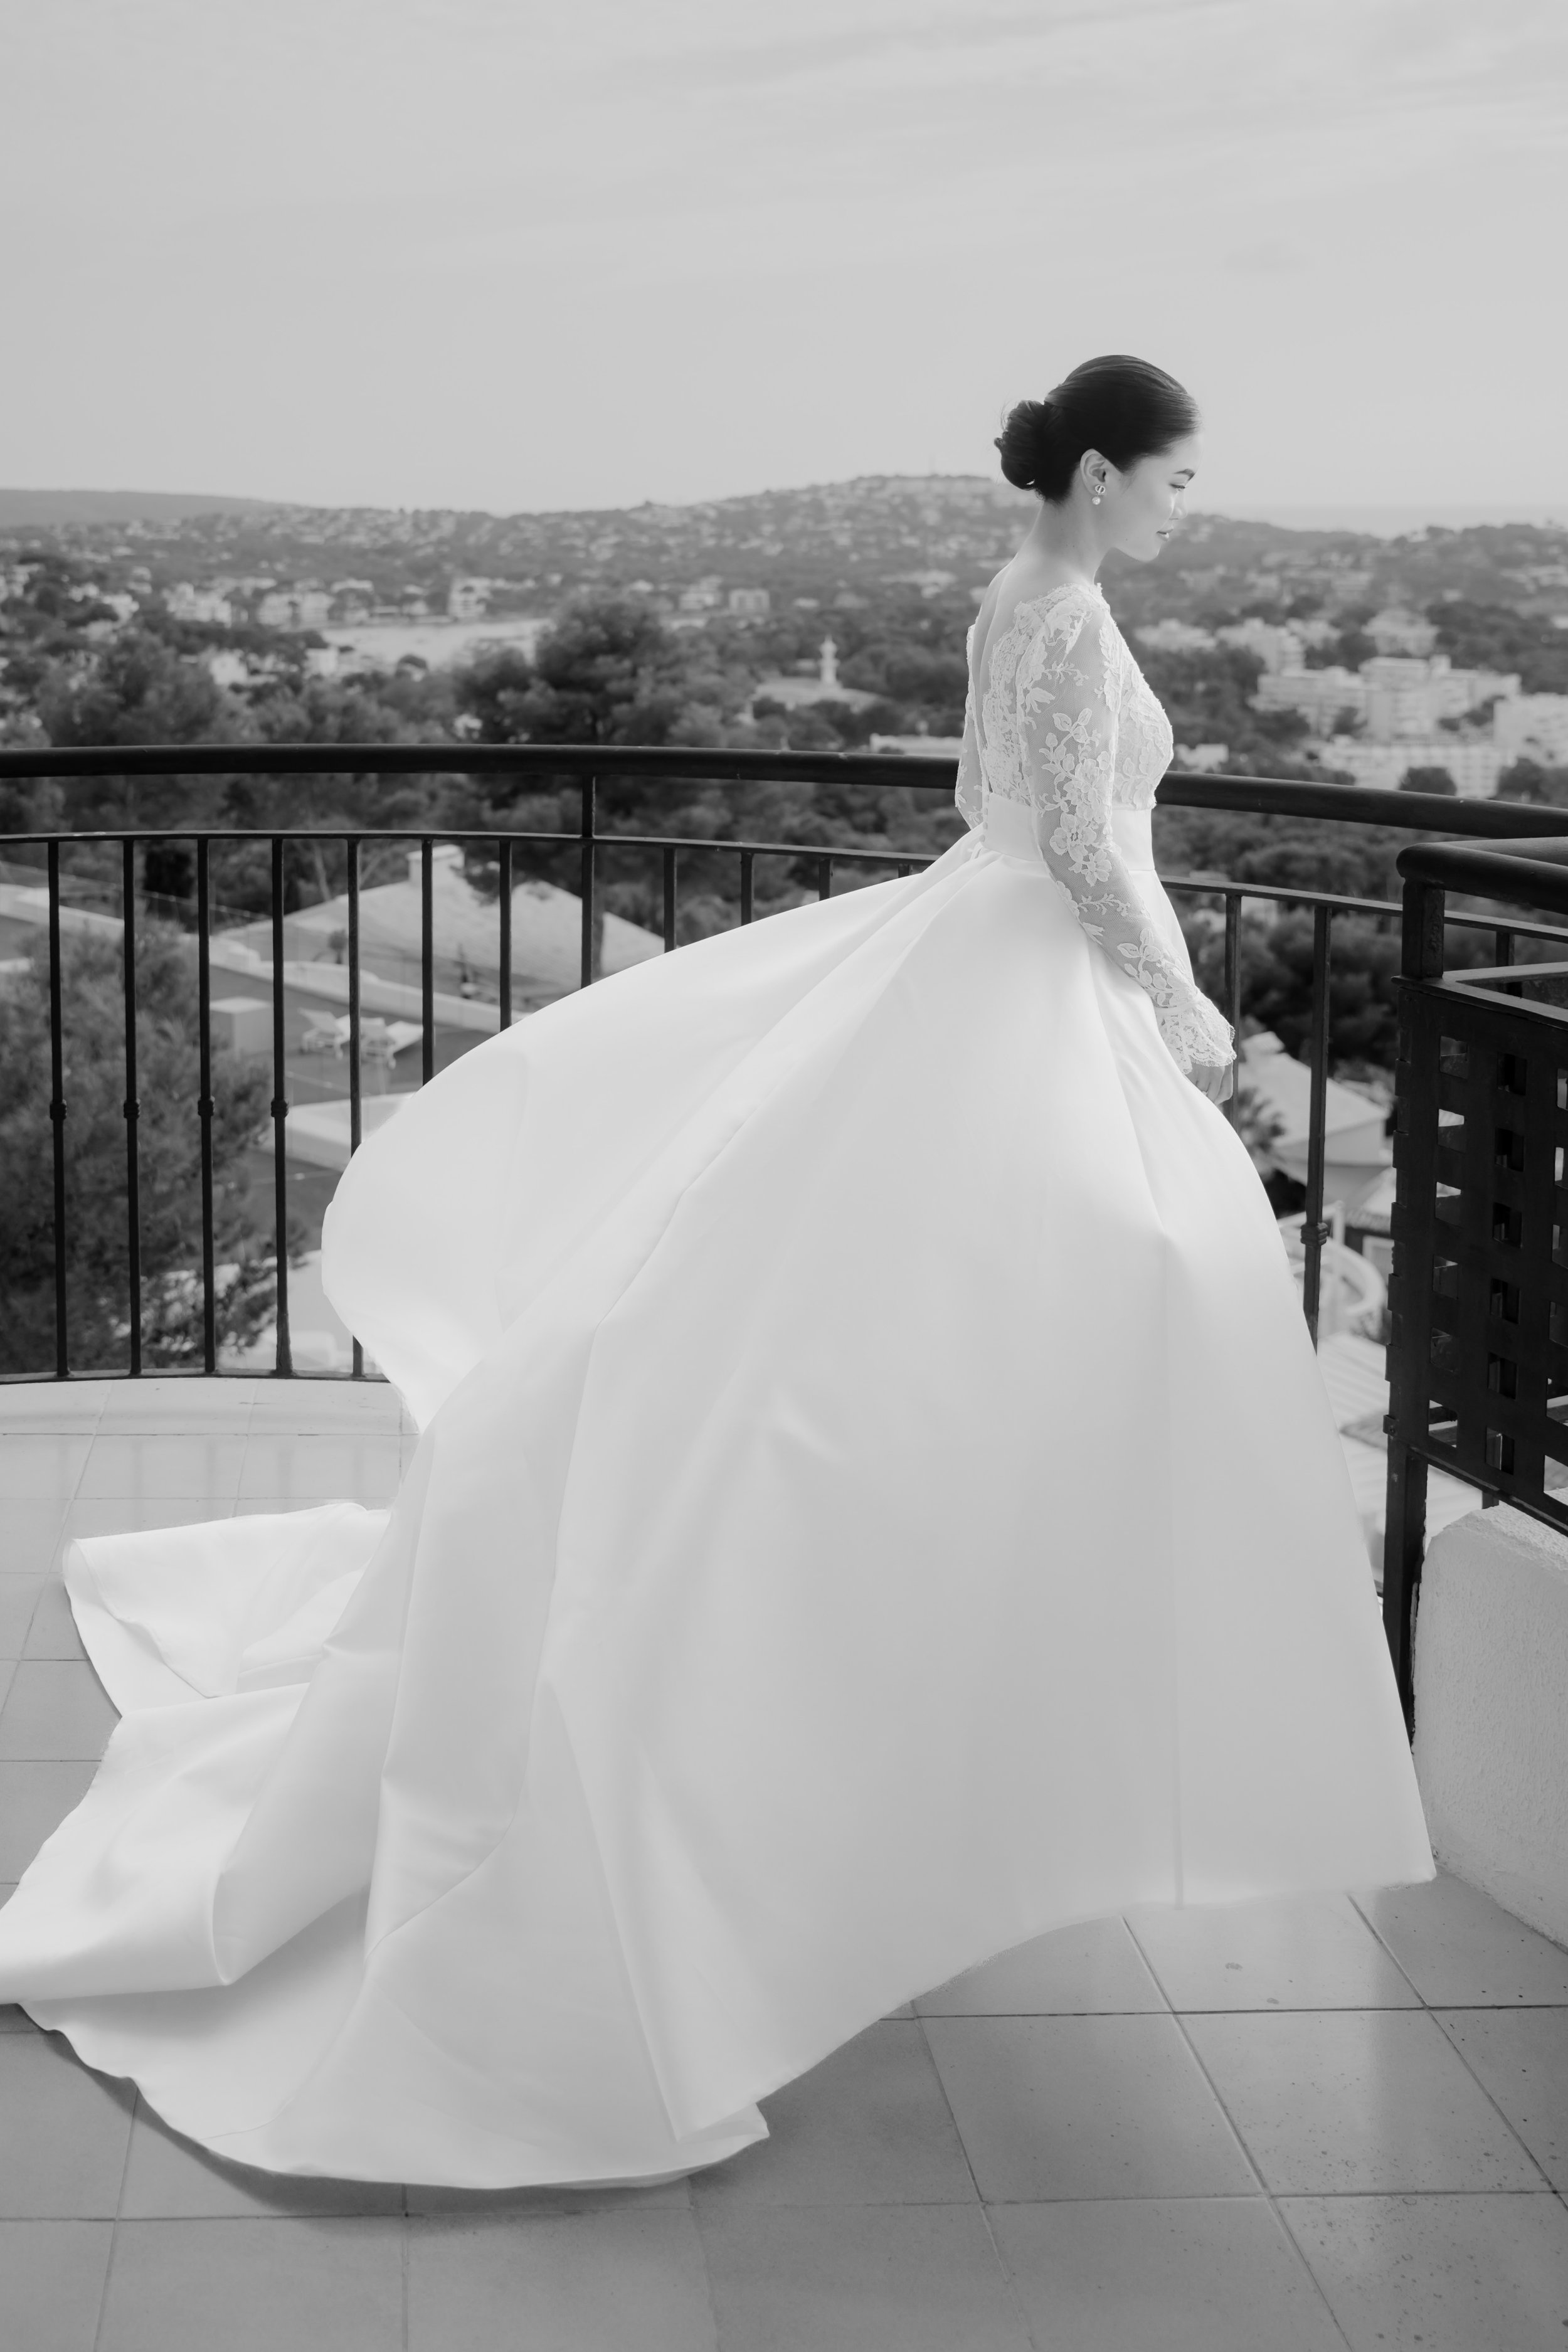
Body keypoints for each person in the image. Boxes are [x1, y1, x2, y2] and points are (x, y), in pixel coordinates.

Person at [0, 356, 1432, 2188]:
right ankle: (934, 1701)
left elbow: (1027, 823)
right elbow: (1079, 841)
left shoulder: (1023, 596)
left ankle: (953, 1699)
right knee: (1037, 1296)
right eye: (1173, 477)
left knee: (929, 1306)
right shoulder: (1064, 614)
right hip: (1030, 961)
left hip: (979, 951)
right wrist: (1183, 1005)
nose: (1185, 505)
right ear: (1099, 469)